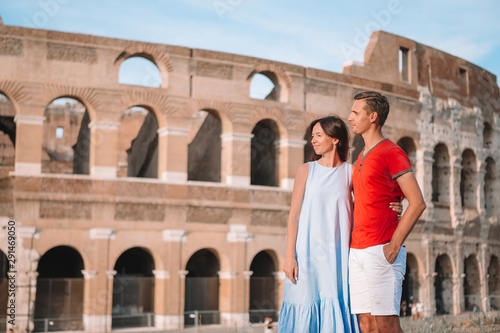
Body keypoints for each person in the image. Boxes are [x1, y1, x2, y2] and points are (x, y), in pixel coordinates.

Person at [278, 116, 401, 332]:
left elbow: (371, 200)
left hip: (339, 255)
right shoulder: (306, 170)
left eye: (318, 135)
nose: (313, 141)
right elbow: (294, 215)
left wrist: (397, 206)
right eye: (312, 136)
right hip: (306, 254)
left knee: (336, 300)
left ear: (335, 139)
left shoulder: (351, 172)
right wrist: (289, 257)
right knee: (304, 301)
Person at [347, 91, 426, 333]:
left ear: (372, 116)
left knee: (387, 324)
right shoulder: (361, 155)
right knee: (366, 325)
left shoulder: (391, 151)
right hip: (357, 249)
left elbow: (418, 201)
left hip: (381, 248)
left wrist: (394, 245)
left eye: (355, 112)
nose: (350, 117)